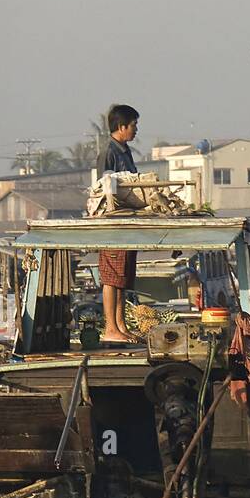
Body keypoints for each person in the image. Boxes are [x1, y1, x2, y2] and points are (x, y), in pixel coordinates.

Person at [95, 103, 141, 344]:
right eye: (133, 125)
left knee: (122, 278)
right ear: (121, 127)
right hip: (112, 224)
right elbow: (106, 189)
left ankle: (120, 325)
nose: (135, 130)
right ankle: (110, 327)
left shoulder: (125, 151)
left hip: (127, 225)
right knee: (111, 278)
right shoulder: (109, 153)